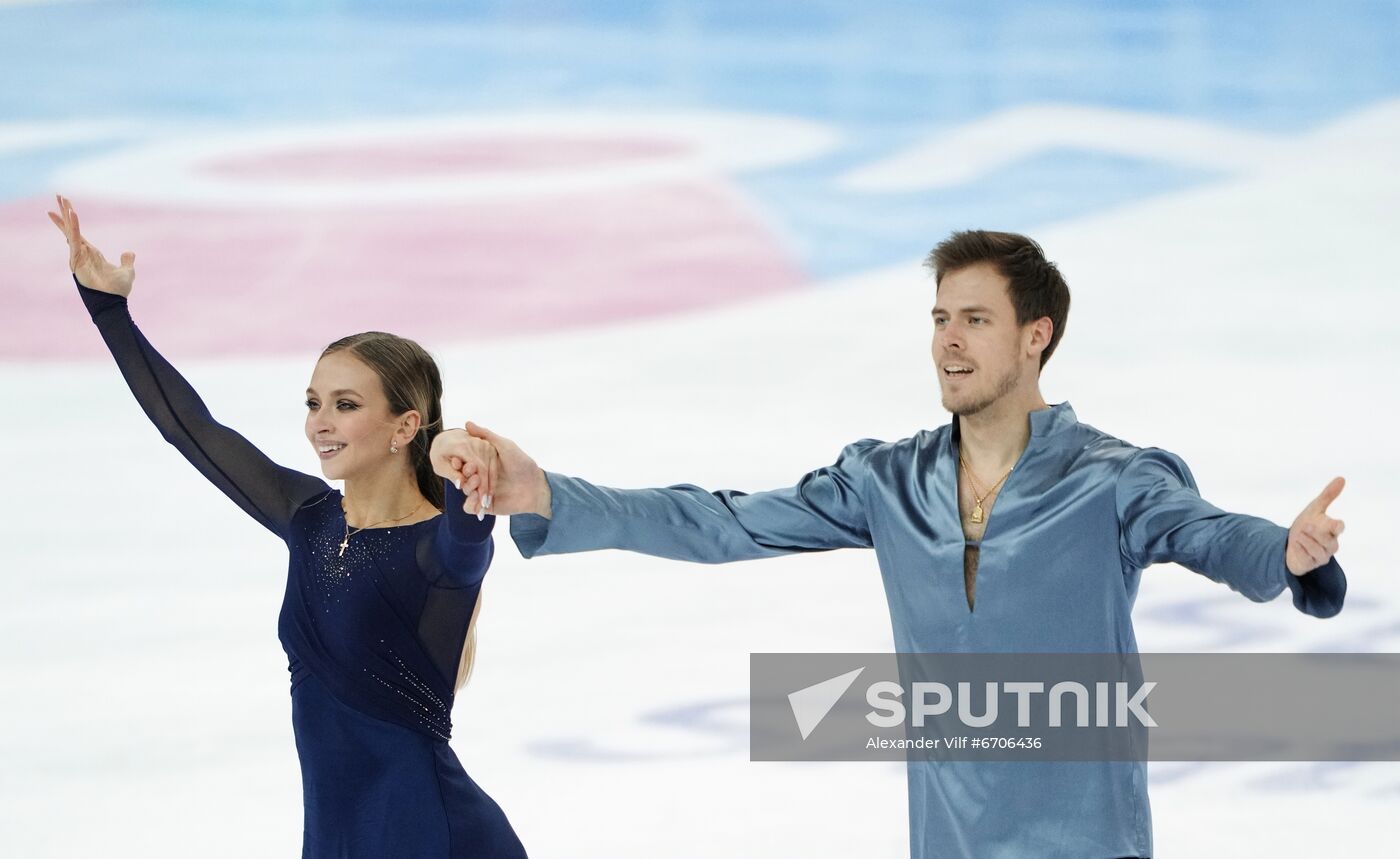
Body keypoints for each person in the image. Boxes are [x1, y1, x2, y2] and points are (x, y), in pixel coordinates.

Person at [450, 230, 1347, 859]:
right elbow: (722, 521)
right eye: (939, 317)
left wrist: (1287, 551)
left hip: (1088, 845)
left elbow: (1205, 531)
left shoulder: (1112, 477)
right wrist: (543, 493)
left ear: (1037, 337)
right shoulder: (887, 479)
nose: (948, 341)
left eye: (976, 320)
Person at [49, 196, 528, 859]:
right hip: (337, 837)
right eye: (313, 402)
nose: (319, 422)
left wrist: (458, 464)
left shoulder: (437, 552)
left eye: (346, 404)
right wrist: (109, 311)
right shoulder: (307, 516)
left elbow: (469, 533)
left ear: (404, 426)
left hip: (434, 836)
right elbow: (192, 429)